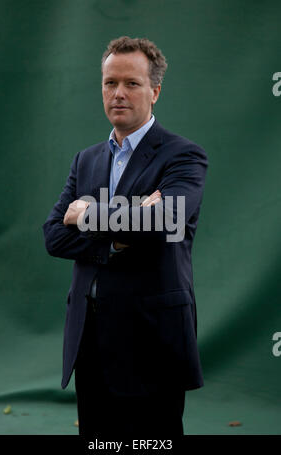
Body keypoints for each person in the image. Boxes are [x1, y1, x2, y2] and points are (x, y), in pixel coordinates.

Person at [43, 36, 208, 448]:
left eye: (132, 83)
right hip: (90, 335)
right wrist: (118, 239)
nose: (118, 93)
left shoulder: (183, 156)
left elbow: (164, 222)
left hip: (152, 337)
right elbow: (53, 236)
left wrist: (87, 215)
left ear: (155, 91)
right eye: (109, 82)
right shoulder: (86, 160)